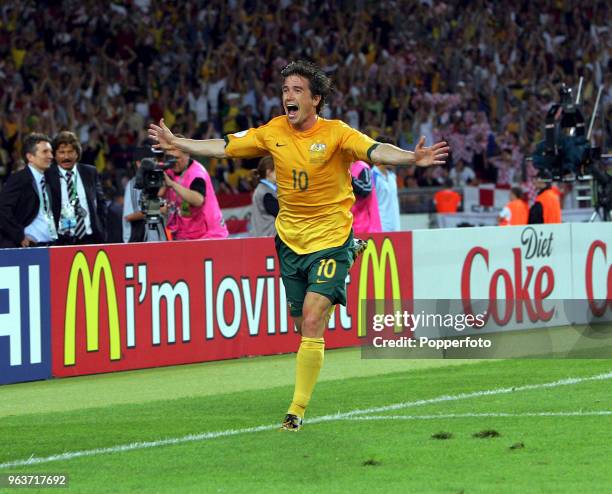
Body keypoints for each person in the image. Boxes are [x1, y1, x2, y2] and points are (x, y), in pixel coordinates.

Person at [149, 60, 448, 431]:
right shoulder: (273, 131)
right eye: (285, 90)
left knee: (311, 319)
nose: (287, 96)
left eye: (296, 90)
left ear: (316, 99)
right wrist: (178, 142)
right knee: (300, 325)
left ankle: (296, 410)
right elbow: (225, 147)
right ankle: (343, 268)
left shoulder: (337, 134)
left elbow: (375, 150)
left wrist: (409, 158)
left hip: (331, 238)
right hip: (290, 240)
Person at [46, 131, 107, 245]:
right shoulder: (48, 176)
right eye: (62, 152)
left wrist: (102, 230)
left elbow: (101, 204)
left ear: (77, 153)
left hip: (90, 239)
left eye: (70, 152)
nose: (66, 157)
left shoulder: (90, 172)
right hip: (61, 241)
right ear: (55, 154)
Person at [162, 136, 228, 240]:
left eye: (177, 158)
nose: (173, 162)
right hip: (185, 236)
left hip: (209, 236)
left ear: (187, 154)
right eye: (169, 158)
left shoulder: (197, 173)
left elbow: (198, 200)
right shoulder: (169, 171)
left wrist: (172, 184)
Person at [0, 133, 57, 248]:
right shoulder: (19, 179)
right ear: (30, 157)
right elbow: (2, 210)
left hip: (51, 246)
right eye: (45, 152)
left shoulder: (50, 179)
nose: (51, 156)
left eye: (51, 151)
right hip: (28, 248)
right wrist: (19, 236)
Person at [371, 135, 401, 232]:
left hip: (396, 228)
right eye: (392, 153)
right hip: (380, 230)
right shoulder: (372, 176)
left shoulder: (393, 176)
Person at [122, 147, 149, 243]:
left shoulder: (156, 181)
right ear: (138, 163)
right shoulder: (133, 185)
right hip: (136, 240)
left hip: (154, 239)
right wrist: (154, 210)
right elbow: (129, 216)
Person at [350, 160, 382, 234]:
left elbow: (366, 190)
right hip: (345, 228)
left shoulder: (362, 168)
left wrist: (349, 177)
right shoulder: (338, 170)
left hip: (365, 227)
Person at [250, 156, 278, 237]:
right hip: (267, 238)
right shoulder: (265, 192)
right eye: (277, 170)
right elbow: (280, 212)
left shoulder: (263, 188)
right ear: (269, 172)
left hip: (263, 236)